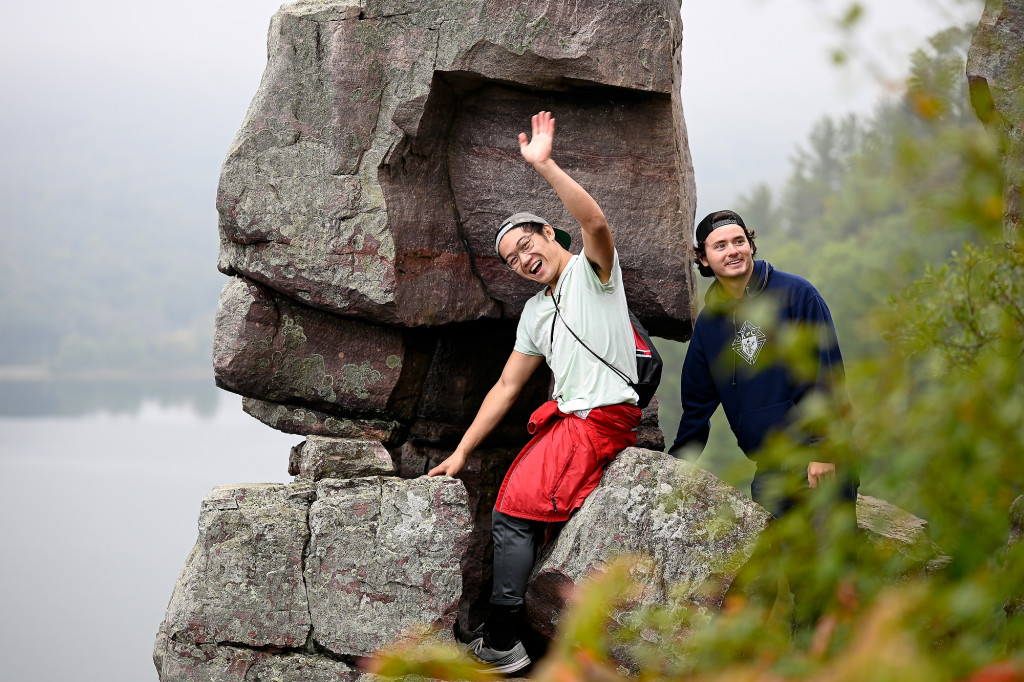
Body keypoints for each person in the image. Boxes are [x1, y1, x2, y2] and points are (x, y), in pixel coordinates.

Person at [427, 111, 642, 674]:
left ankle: (502, 641)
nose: (524, 260)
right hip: (571, 422)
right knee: (521, 506)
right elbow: (506, 386)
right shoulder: (534, 310)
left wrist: (545, 165)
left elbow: (595, 222)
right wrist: (462, 452)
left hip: (598, 420)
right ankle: (524, 633)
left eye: (529, 244)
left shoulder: (592, 276)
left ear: (550, 234)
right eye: (512, 259)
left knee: (514, 510)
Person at [668, 209, 858, 630]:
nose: (732, 251)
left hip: (820, 460)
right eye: (720, 246)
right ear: (703, 259)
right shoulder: (710, 326)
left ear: (751, 244)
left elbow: (826, 376)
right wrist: (676, 469)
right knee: (779, 578)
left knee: (829, 575)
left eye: (739, 241)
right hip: (769, 469)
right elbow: (697, 406)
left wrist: (823, 449)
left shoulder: (796, 295)